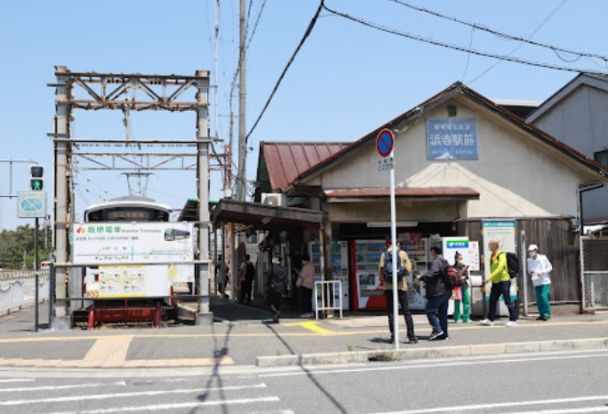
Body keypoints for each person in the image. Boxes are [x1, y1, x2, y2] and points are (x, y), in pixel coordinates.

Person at [379, 241, 417, 344]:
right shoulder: (402, 253)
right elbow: (409, 269)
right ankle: (411, 336)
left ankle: (394, 337)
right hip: (401, 287)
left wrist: (387, 279)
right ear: (398, 243)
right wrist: (401, 276)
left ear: (388, 244)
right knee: (406, 312)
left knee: (391, 313)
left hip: (388, 288)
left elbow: (381, 270)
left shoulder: (384, 254)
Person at [481, 240, 517, 327]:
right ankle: (490, 319)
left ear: (495, 246)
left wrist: (488, 278)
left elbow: (500, 268)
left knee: (507, 300)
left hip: (504, 281)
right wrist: (492, 279)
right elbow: (493, 269)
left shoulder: (501, 255)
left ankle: (513, 320)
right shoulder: (492, 255)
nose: (489, 246)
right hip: (496, 282)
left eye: (490, 245)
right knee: (492, 300)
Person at [421, 246, 451, 340]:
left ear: (433, 251)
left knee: (429, 310)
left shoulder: (436, 261)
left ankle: (438, 330)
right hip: (446, 290)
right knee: (443, 313)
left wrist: (421, 277)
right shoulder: (444, 261)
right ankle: (444, 334)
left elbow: (432, 274)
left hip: (438, 291)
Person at [527, 244, 553, 321]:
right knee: (538, 299)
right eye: (529, 251)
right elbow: (529, 270)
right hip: (535, 281)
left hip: (544, 281)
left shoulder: (543, 258)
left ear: (536, 251)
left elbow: (550, 267)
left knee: (543, 296)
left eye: (532, 251)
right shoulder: (529, 260)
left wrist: (542, 272)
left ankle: (547, 314)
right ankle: (542, 314)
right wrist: (530, 272)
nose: (530, 253)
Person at [266, 256, 287, 323]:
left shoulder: (271, 268)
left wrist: (267, 285)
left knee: (271, 302)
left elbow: (269, 276)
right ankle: (276, 316)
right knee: (278, 302)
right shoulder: (284, 269)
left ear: (276, 260)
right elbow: (284, 278)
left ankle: (275, 312)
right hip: (280, 287)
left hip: (272, 287)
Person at [452, 252, 471, 323]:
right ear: (456, 259)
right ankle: (457, 318)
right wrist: (460, 275)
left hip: (464, 285)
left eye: (461, 258)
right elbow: (455, 276)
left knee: (466, 301)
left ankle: (466, 318)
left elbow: (466, 276)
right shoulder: (453, 267)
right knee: (457, 302)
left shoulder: (464, 266)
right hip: (456, 286)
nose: (461, 260)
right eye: (460, 258)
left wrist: (464, 276)